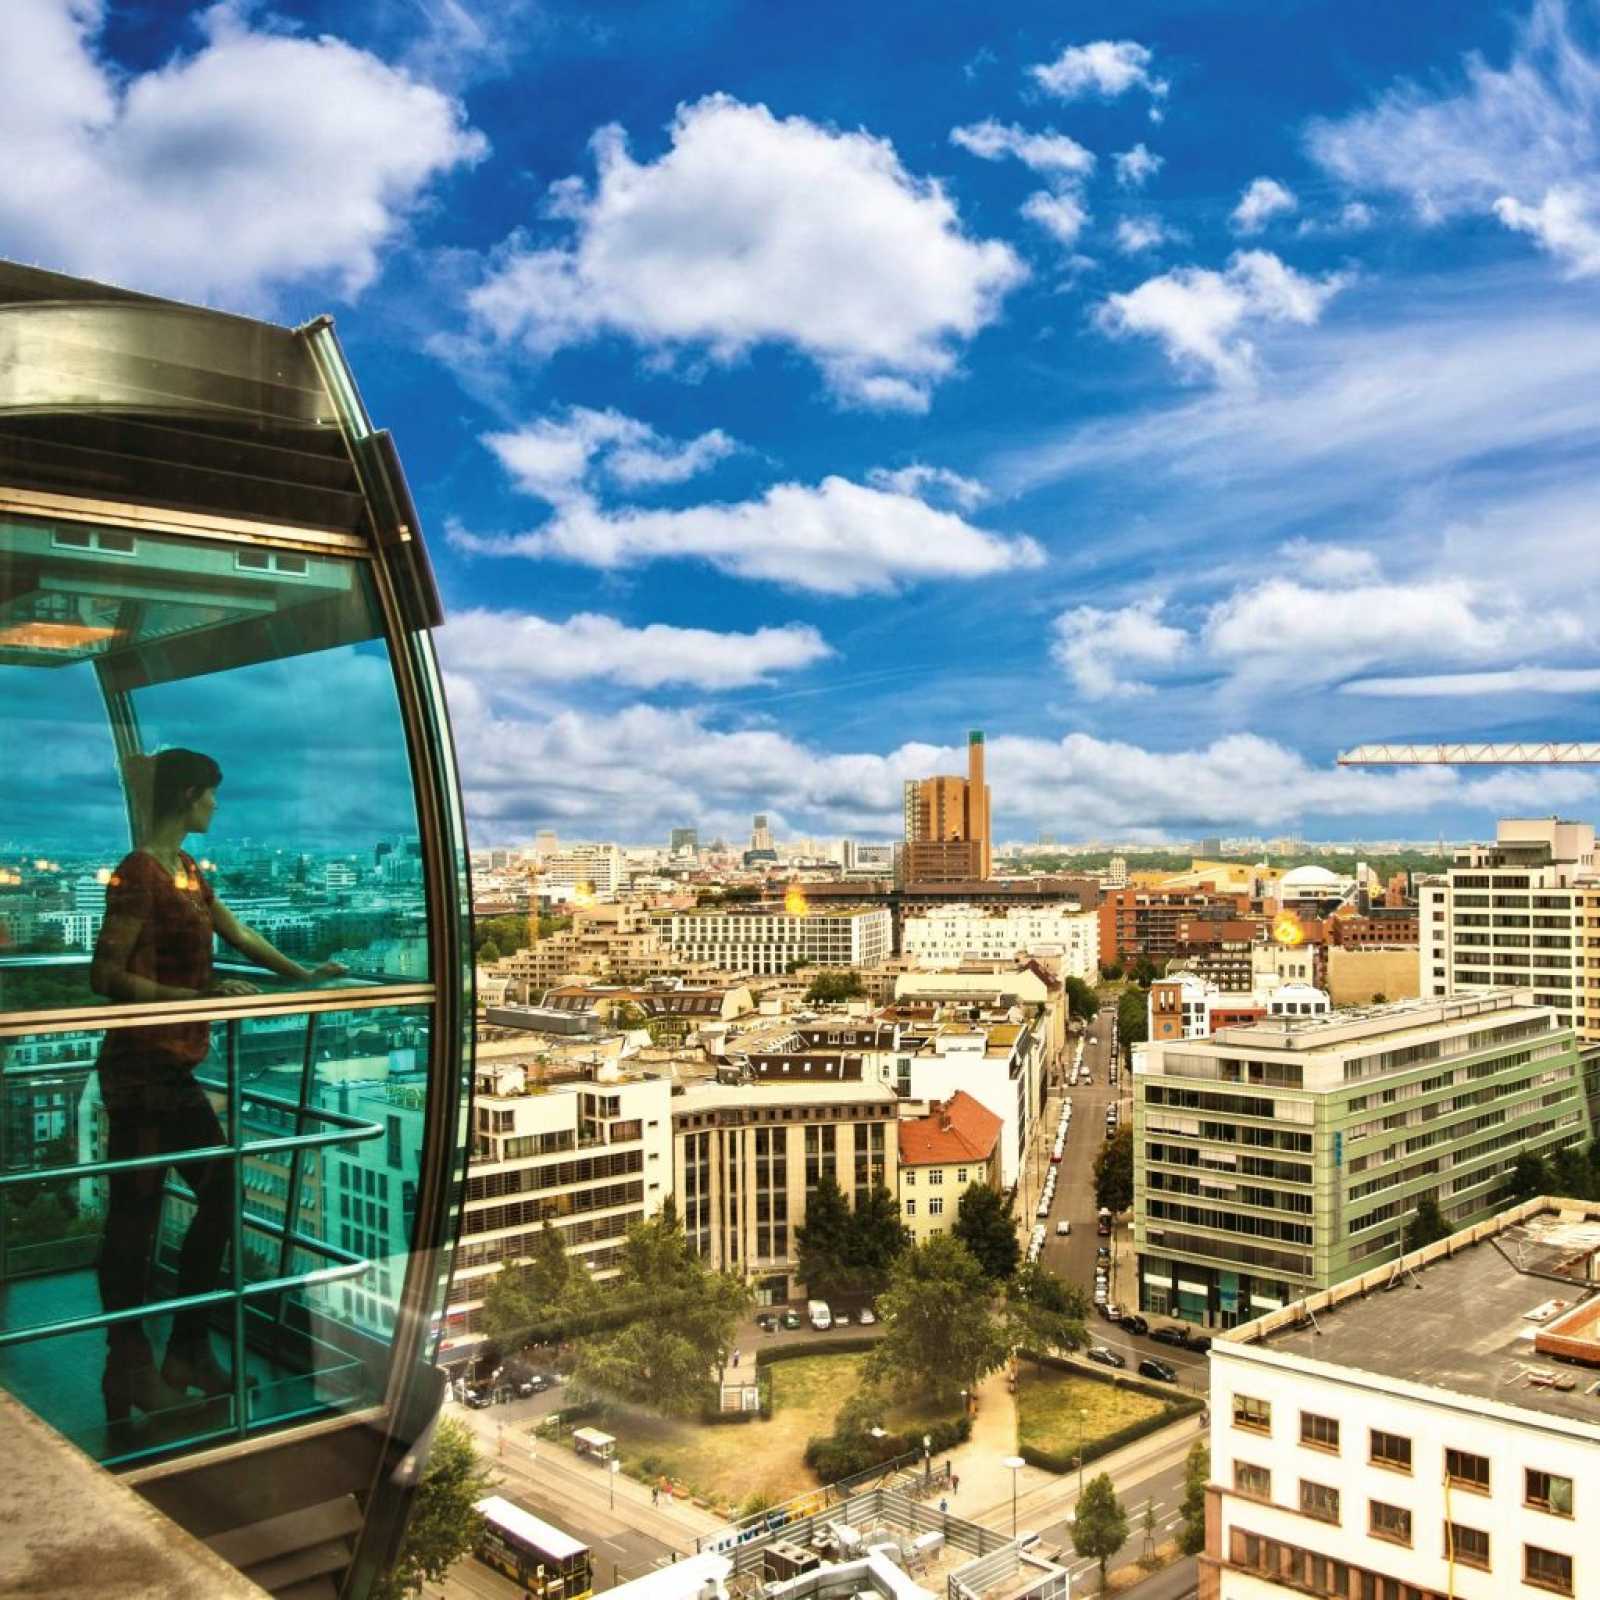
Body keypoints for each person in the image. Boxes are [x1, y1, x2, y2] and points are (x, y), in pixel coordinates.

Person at [90, 748, 346, 1424]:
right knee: (148, 1213)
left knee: (154, 1209)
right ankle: (157, 1358)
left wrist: (301, 976)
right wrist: (194, 992)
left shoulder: (184, 873)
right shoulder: (140, 875)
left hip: (166, 1066)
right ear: (187, 797)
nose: (216, 807)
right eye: (210, 796)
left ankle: (158, 1359)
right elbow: (105, 977)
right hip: (143, 1070)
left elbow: (236, 931)